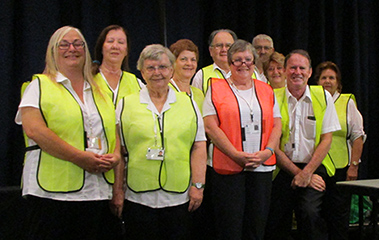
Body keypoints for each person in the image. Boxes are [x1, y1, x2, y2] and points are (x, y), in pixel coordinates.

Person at [15, 26, 121, 240]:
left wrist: (117, 156)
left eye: (77, 44)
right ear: (53, 50)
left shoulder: (100, 90)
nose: (71, 49)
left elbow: (113, 132)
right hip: (51, 193)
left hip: (96, 190)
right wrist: (79, 157)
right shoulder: (38, 85)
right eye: (64, 44)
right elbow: (34, 129)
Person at [115, 44, 207, 240]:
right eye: (150, 68)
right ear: (141, 71)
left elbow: (199, 146)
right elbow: (119, 151)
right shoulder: (125, 104)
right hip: (138, 197)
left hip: (178, 197)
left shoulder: (188, 103)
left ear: (172, 70)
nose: (157, 73)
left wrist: (198, 186)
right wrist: (117, 191)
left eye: (163, 67)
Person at [203, 39, 282, 239]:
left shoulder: (266, 89)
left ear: (254, 63)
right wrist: (235, 154)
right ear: (229, 64)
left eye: (248, 59)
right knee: (230, 226)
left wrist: (268, 152)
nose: (243, 64)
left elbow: (277, 125)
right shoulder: (215, 88)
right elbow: (211, 126)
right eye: (237, 60)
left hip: (262, 166)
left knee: (256, 226)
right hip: (228, 166)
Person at [265, 50, 341, 240]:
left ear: (309, 72)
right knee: (274, 218)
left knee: (309, 213)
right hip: (282, 167)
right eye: (292, 67)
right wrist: (298, 174)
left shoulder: (323, 97)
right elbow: (272, 143)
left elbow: (327, 139)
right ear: (284, 71)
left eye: (302, 68)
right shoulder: (271, 97)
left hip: (314, 167)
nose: (297, 72)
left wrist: (307, 173)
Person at [315, 61, 366, 240]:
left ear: (338, 82)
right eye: (323, 78)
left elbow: (358, 137)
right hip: (316, 169)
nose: (327, 81)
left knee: (338, 216)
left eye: (331, 77)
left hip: (341, 168)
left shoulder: (347, 101)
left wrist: (354, 166)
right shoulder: (312, 100)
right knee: (315, 215)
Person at [93, 25, 144, 107]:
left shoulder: (136, 83)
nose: (115, 46)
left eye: (120, 42)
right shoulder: (89, 79)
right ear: (101, 48)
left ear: (126, 50)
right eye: (110, 41)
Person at [192, 29, 237, 94]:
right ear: (211, 51)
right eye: (219, 45)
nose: (224, 49)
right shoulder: (201, 75)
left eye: (228, 46)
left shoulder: (250, 73)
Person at [169, 39, 204, 111]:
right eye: (183, 59)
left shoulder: (199, 94)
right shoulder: (165, 91)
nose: (189, 64)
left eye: (193, 60)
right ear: (173, 63)